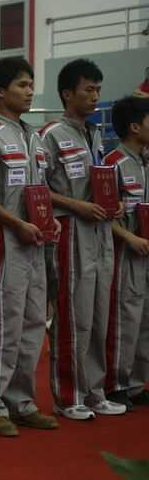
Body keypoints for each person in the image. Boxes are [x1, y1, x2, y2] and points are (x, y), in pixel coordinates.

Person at [0, 56, 59, 437]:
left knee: (34, 322)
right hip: (3, 240)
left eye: (30, 84)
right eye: (22, 85)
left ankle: (22, 402)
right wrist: (17, 223)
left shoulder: (35, 138)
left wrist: (48, 218)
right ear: (0, 91)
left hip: (35, 241)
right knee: (1, 322)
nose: (30, 91)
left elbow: (41, 191)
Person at [40, 58, 127, 420]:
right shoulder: (50, 135)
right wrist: (76, 205)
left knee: (99, 313)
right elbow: (38, 189)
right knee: (74, 314)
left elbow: (101, 180)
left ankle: (94, 391)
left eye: (98, 90)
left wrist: (114, 202)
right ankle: (68, 396)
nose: (95, 96)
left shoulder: (95, 133)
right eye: (88, 90)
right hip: (71, 230)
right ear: (67, 93)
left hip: (100, 230)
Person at [104, 95, 149, 410]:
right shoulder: (112, 163)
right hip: (125, 253)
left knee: (145, 318)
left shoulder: (146, 162)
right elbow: (103, 214)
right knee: (125, 317)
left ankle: (135, 383)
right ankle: (116, 384)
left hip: (146, 251)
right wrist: (128, 238)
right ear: (134, 127)